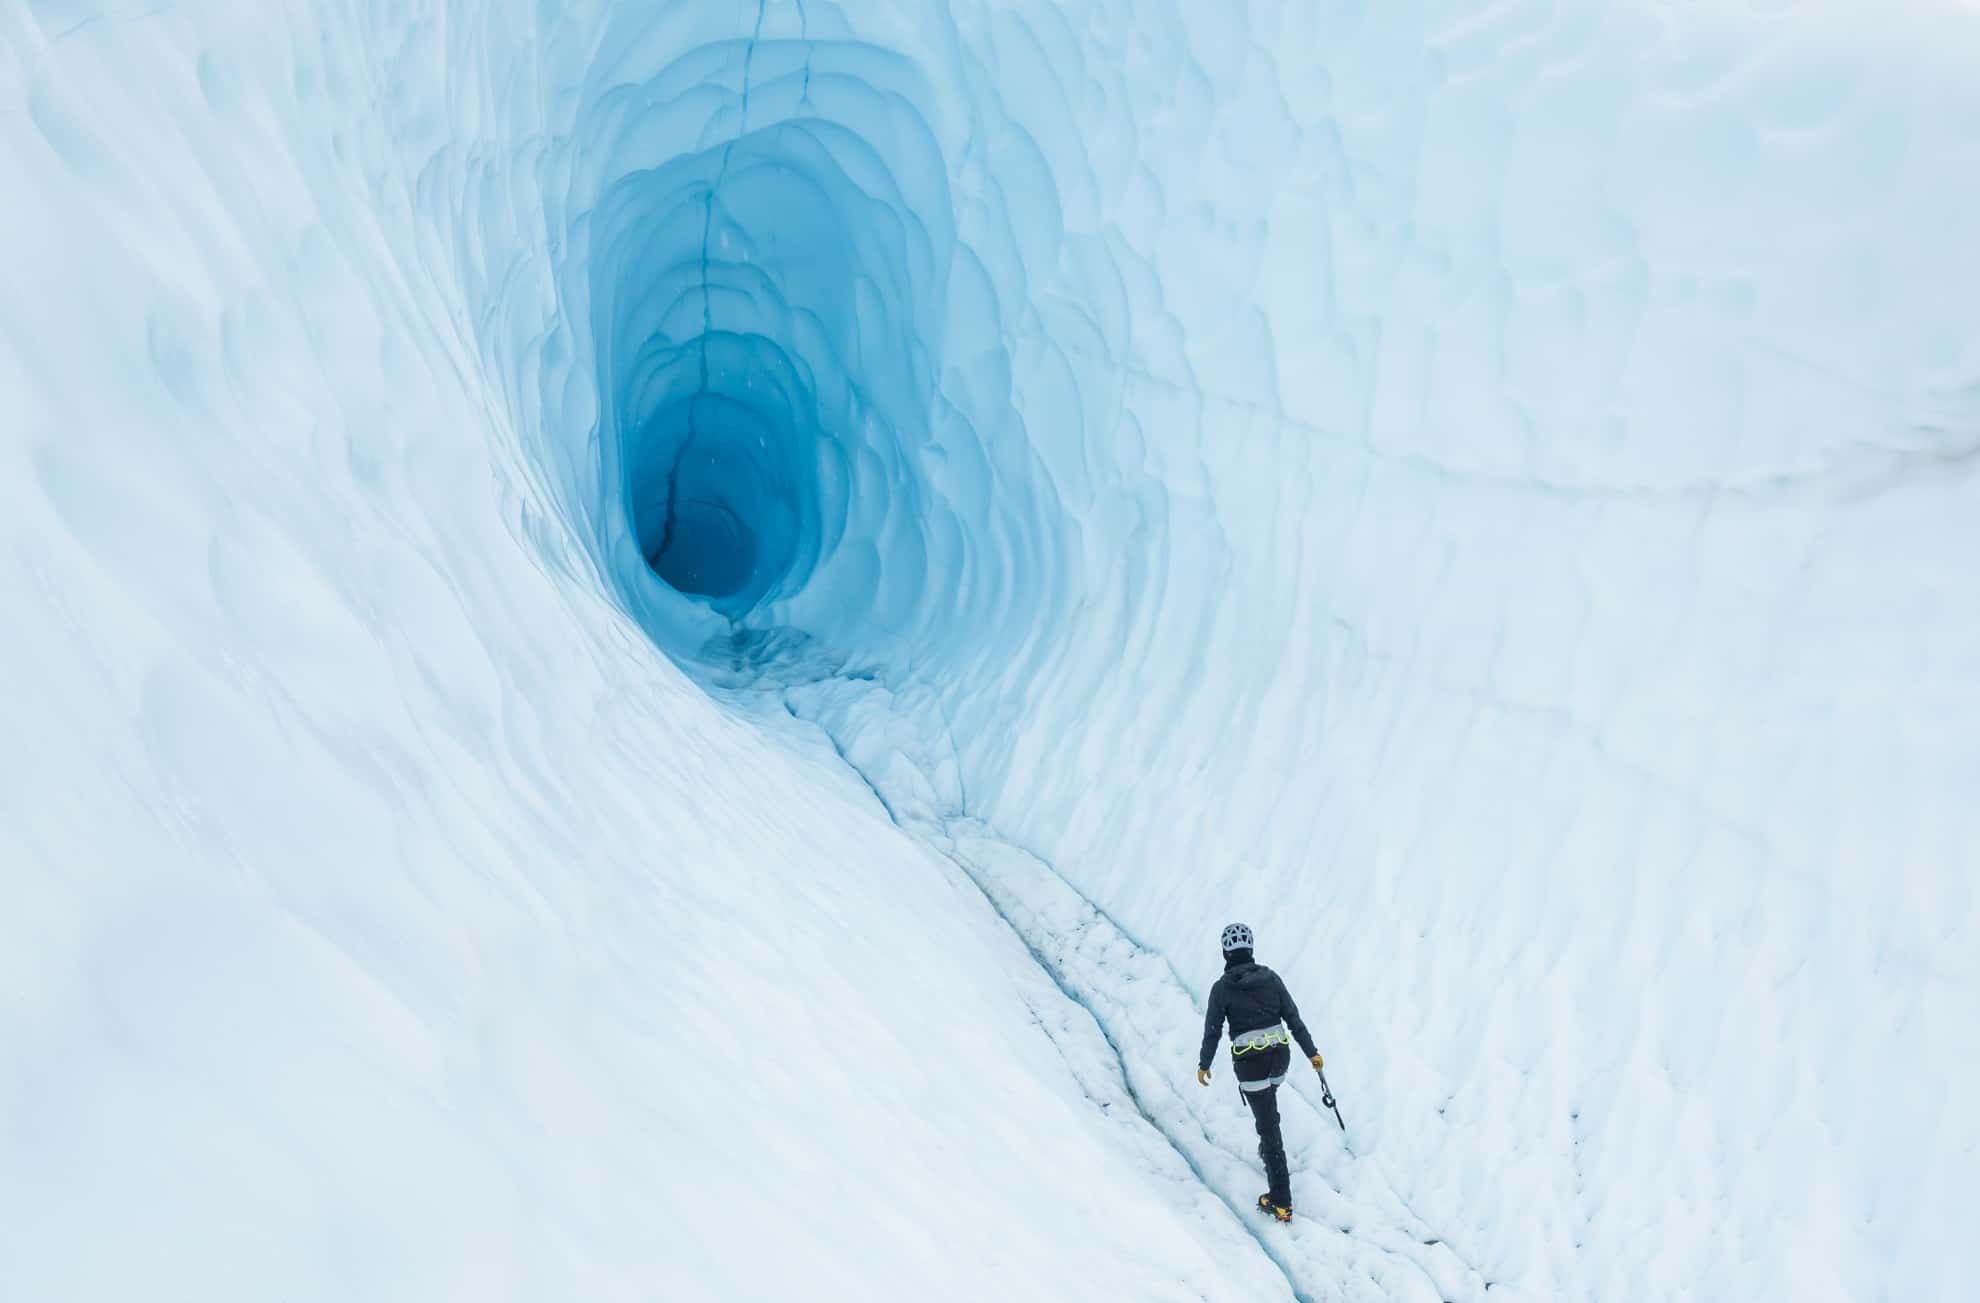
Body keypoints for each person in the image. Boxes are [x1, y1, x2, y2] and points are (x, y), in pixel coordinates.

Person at [1195, 922, 1324, 1223]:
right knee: (1268, 1107)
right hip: (1279, 1059)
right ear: (1250, 948)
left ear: (1225, 953)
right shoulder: (1271, 979)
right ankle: (1269, 1152)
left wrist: (1204, 1064)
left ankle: (1281, 1200)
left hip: (1250, 1064)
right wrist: (1312, 1053)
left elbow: (1213, 1031)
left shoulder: (1222, 989)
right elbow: (1293, 1019)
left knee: (1268, 1126)